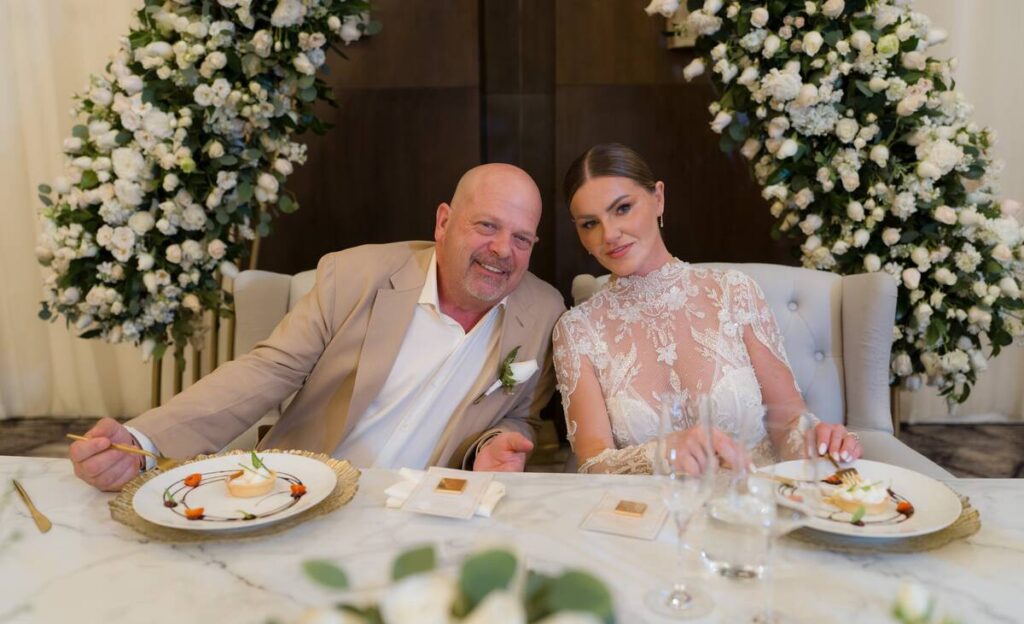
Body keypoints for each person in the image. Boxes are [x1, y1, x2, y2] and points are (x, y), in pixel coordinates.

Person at [71, 163, 566, 491]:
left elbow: (519, 415)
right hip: (308, 492)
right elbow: (267, 371)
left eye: (522, 238)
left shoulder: (542, 310)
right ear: (443, 222)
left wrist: (494, 444)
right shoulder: (355, 276)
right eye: (487, 226)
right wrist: (145, 441)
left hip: (431, 513)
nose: (504, 250)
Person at [553, 143, 863, 474]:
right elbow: (593, 464)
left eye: (623, 208)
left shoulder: (734, 292)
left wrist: (819, 439)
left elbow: (787, 422)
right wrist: (663, 455)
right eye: (590, 224)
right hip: (653, 516)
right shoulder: (577, 330)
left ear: (658, 198)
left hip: (754, 505)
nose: (610, 234)